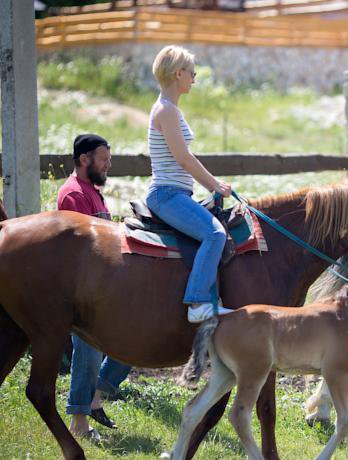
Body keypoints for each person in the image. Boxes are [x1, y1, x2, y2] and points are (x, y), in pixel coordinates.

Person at [145, 45, 233, 323]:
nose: (194, 79)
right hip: (167, 194)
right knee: (215, 234)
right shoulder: (167, 111)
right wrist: (214, 185)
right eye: (192, 73)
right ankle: (197, 302)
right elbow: (183, 158)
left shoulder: (168, 108)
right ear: (178, 73)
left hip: (175, 192)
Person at [57, 133, 133, 440]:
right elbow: (84, 248)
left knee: (132, 340)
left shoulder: (93, 192)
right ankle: (78, 419)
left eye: (110, 160)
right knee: (87, 351)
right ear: (84, 160)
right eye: (104, 160)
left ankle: (96, 395)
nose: (109, 166)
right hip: (83, 289)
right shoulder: (73, 195)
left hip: (103, 286)